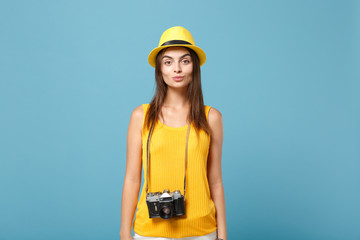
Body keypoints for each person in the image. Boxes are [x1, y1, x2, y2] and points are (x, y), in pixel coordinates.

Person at [120, 26, 227, 240]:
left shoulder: (211, 118)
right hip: (150, 231)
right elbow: (132, 179)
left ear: (194, 67)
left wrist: (222, 235)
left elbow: (215, 180)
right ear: (160, 69)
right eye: (168, 62)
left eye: (184, 61)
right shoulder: (141, 116)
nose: (176, 69)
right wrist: (124, 233)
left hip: (202, 231)